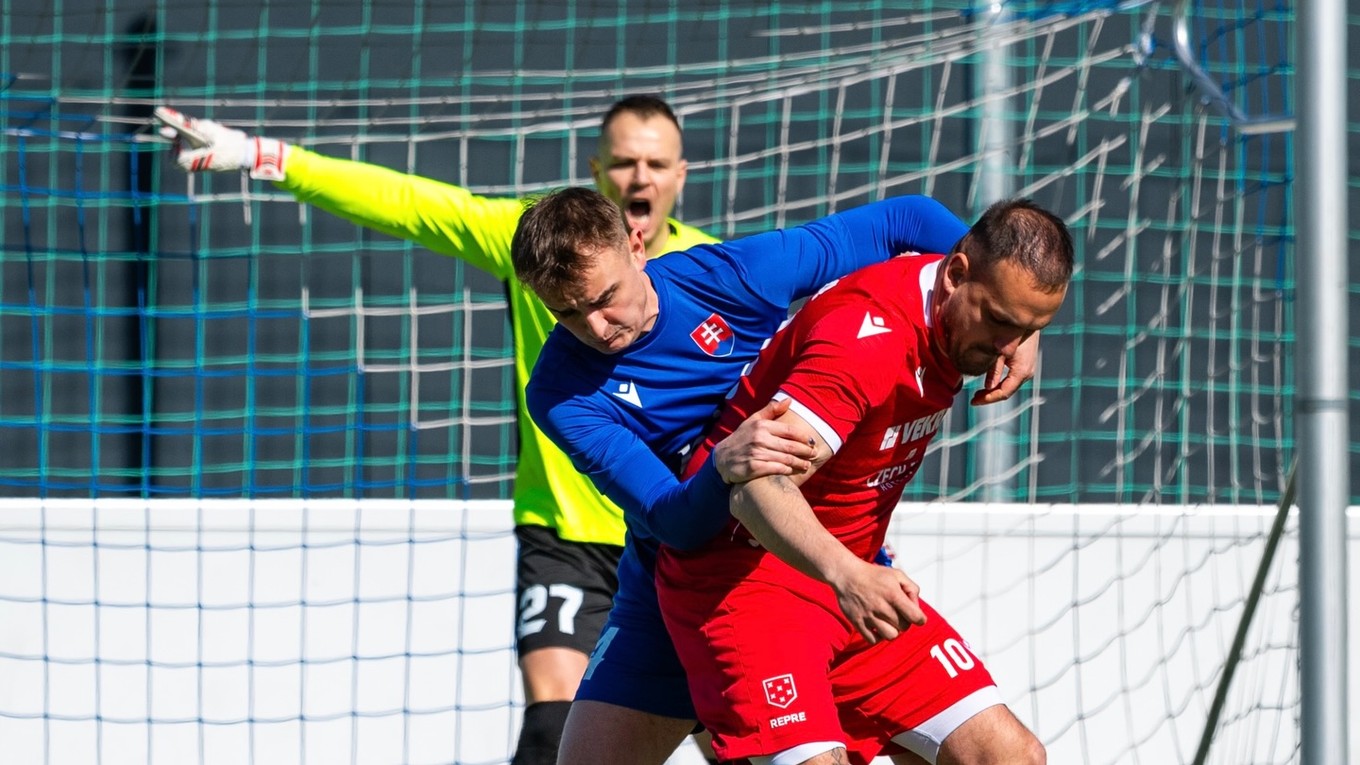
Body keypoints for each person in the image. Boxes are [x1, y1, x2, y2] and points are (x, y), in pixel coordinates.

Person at [152, 96, 718, 765]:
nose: (639, 178)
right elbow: (414, 204)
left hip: (674, 537)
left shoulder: (713, 269)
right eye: (623, 161)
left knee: (735, 735)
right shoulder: (530, 241)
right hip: (567, 539)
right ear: (597, 169)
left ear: (681, 174)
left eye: (655, 163)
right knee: (552, 733)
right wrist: (268, 157)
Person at [513, 187, 1041, 764]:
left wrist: (1007, 322)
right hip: (688, 583)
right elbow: (673, 521)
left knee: (1005, 755)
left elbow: (906, 219)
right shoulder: (560, 391)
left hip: (806, 554)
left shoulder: (729, 275)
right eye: (565, 312)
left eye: (605, 296)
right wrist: (724, 468)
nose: (594, 325)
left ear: (637, 246)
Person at [655, 198, 1074, 764]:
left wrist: (1021, 327)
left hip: (849, 581)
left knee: (1011, 756)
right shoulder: (865, 343)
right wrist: (848, 574)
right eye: (1001, 320)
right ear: (955, 275)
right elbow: (755, 488)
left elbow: (939, 228)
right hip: (749, 582)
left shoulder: (964, 308)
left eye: (1029, 329)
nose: (1008, 347)